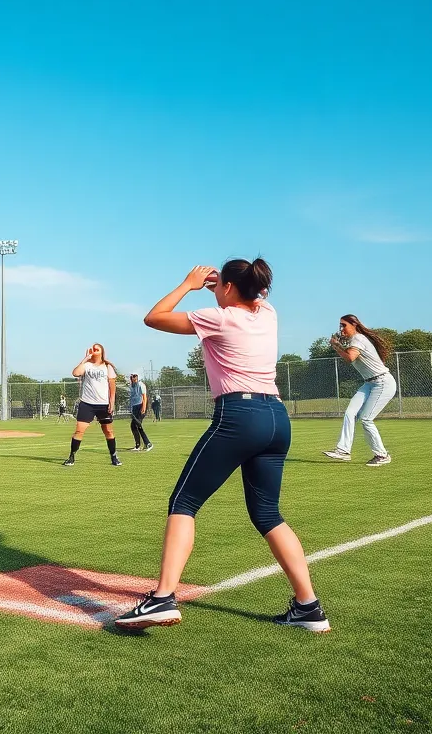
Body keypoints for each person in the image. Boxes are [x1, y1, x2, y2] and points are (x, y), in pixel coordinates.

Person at [116, 261, 329, 633]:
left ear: (228, 288)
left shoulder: (220, 317)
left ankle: (163, 598)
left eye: (219, 286)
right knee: (268, 515)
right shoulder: (268, 313)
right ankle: (308, 607)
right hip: (277, 418)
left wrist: (188, 283)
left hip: (239, 415)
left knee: (184, 503)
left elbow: (154, 317)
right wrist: (225, 282)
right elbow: (254, 294)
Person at [322, 315, 397, 466]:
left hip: (383, 383)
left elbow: (350, 358)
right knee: (350, 413)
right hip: (369, 384)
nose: (341, 328)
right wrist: (339, 344)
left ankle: (382, 455)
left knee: (366, 419)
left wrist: (336, 346)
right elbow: (350, 353)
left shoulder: (358, 339)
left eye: (344, 325)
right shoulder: (353, 340)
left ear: (354, 324)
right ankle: (343, 451)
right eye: (340, 325)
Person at [64, 344, 120, 467]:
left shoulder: (107, 366)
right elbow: (75, 372)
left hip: (103, 404)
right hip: (87, 404)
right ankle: (71, 456)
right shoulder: (87, 365)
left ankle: (114, 456)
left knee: (108, 431)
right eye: (92, 349)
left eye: (96, 349)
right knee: (79, 430)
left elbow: (112, 387)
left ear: (101, 352)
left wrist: (112, 403)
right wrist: (85, 359)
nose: (94, 350)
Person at [127, 372, 153, 452]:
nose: (132, 379)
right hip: (134, 407)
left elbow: (144, 397)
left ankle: (148, 443)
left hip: (140, 406)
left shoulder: (141, 385)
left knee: (138, 425)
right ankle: (138, 446)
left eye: (134, 377)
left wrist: (144, 408)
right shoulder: (132, 386)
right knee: (133, 426)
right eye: (131, 378)